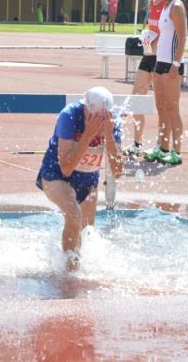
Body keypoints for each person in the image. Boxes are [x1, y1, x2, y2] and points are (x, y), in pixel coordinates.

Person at [36, 86, 123, 269]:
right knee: (74, 216)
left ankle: (76, 265)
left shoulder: (112, 121)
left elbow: (118, 171)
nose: (100, 122)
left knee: (86, 232)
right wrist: (88, 134)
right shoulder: (69, 116)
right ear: (86, 110)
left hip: (88, 180)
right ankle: (68, 272)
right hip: (57, 175)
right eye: (95, 118)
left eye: (103, 118)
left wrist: (108, 135)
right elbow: (66, 168)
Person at [144, 0, 186, 166]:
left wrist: (176, 64)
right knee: (161, 107)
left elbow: (182, 37)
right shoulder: (164, 7)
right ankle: (162, 147)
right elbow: (162, 36)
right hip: (160, 62)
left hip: (171, 63)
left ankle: (177, 151)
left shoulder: (176, 7)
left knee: (172, 108)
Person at [125, 0, 166, 157]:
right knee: (136, 98)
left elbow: (173, 34)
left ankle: (161, 145)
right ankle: (137, 143)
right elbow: (153, 29)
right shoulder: (151, 3)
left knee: (161, 104)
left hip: (163, 59)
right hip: (149, 56)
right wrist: (147, 39)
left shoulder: (169, 5)